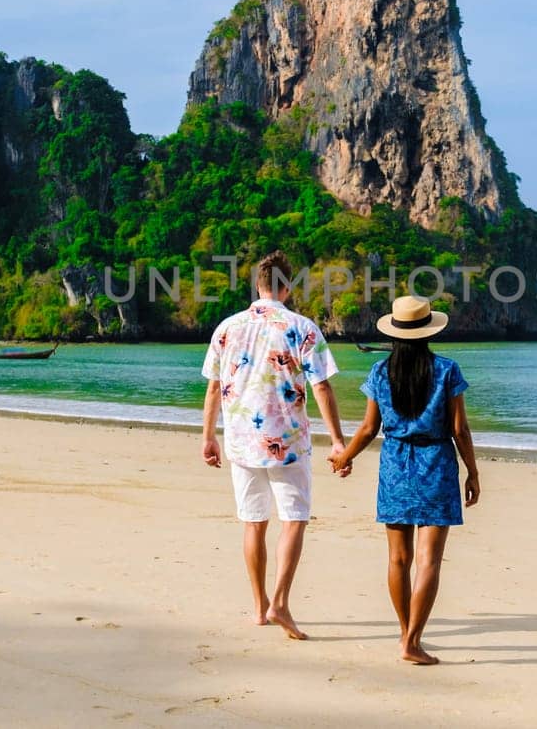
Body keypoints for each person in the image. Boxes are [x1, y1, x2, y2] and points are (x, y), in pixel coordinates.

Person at [200, 251, 346, 640]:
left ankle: (259, 608)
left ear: (258, 286)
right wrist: (337, 441)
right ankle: (280, 601)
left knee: (254, 523)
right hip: (290, 442)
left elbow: (214, 386)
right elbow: (321, 386)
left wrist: (208, 437)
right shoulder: (301, 327)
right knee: (294, 519)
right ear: (287, 286)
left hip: (242, 442)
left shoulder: (227, 327)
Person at [329, 295, 480, 665]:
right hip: (437, 465)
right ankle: (413, 641)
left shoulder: (381, 372)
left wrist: (344, 458)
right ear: (428, 331)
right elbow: (459, 429)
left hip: (396, 464)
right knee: (428, 561)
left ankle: (403, 633)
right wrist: (473, 471)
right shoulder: (447, 370)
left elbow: (368, 428)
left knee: (398, 558)